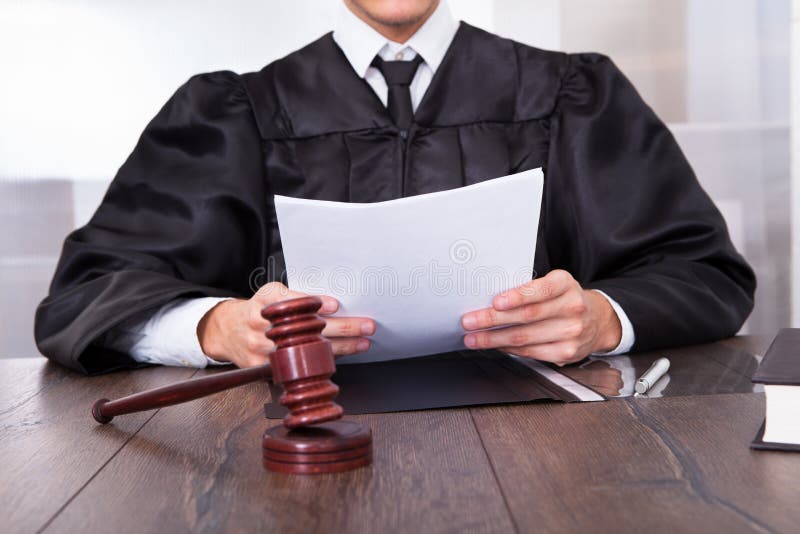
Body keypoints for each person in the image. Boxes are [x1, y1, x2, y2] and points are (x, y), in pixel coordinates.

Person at [34, 0, 755, 375]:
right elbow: (87, 293)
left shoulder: (575, 94)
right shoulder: (233, 113)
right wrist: (214, 328)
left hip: (555, 455)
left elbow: (703, 275)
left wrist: (603, 315)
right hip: (283, 455)